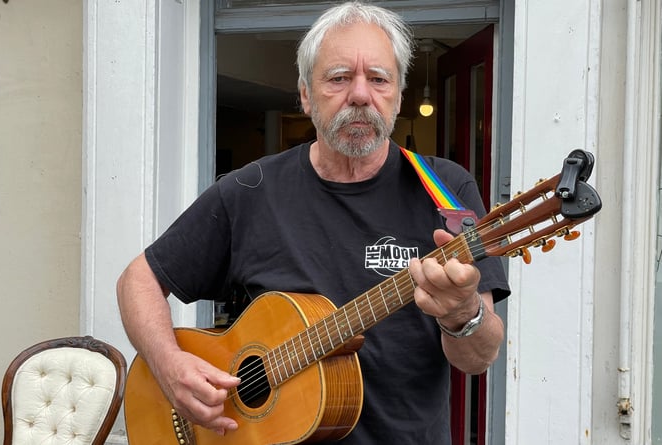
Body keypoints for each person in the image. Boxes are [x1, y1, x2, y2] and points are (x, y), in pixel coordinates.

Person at [116, 2, 510, 444]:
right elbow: (139, 280)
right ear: (305, 94)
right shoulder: (250, 190)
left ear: (398, 96)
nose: (360, 95)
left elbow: (479, 357)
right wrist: (169, 365)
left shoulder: (446, 190)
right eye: (339, 77)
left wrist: (462, 314)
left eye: (378, 79)